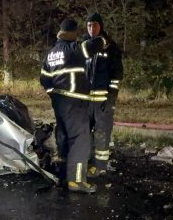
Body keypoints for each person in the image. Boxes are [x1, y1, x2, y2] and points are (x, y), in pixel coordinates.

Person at [40, 19, 107, 193]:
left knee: (64, 136)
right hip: (74, 102)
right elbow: (95, 45)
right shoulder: (74, 49)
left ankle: (63, 171)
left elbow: (44, 79)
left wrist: (53, 94)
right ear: (72, 33)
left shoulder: (51, 53)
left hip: (59, 102)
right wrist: (103, 38)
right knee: (80, 140)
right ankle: (76, 181)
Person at [83, 13, 123, 177]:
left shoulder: (110, 46)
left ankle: (101, 167)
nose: (92, 29)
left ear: (101, 26)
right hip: (85, 101)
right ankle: (87, 163)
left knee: (102, 133)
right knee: (84, 132)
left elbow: (117, 75)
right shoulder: (85, 46)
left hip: (103, 101)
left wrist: (111, 98)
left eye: (95, 25)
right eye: (89, 25)